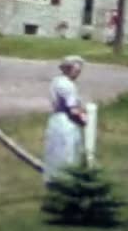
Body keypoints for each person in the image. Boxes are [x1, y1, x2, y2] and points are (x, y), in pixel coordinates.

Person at [43, 55, 88, 183]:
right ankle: (66, 180)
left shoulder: (56, 81)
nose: (78, 74)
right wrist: (84, 119)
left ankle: (54, 177)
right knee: (68, 152)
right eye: (76, 70)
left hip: (56, 119)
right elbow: (73, 109)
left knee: (55, 151)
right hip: (66, 122)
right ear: (68, 69)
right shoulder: (67, 85)